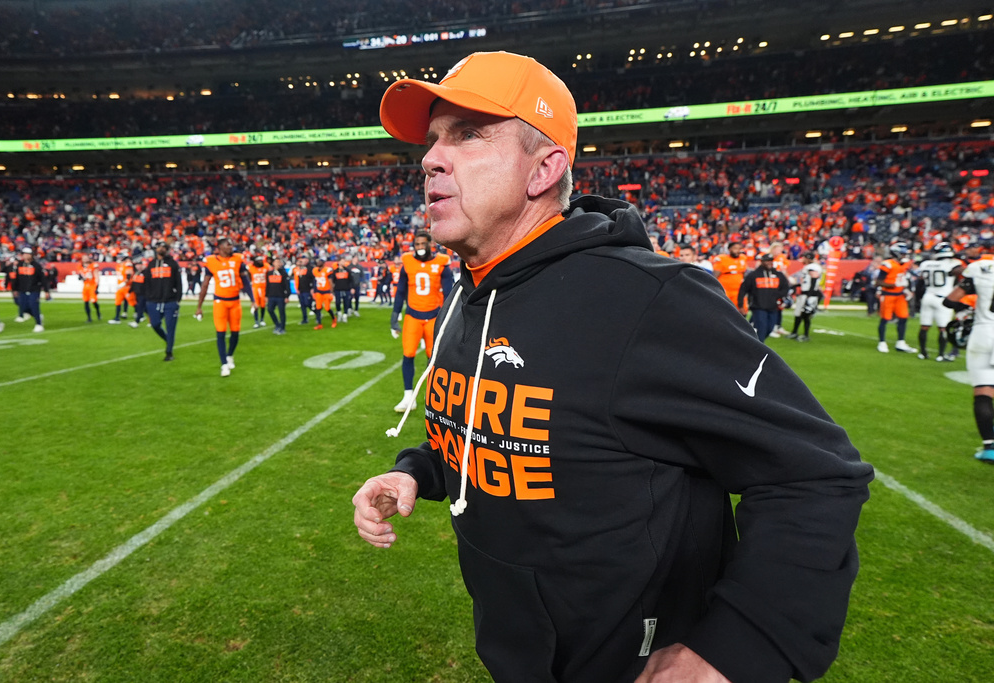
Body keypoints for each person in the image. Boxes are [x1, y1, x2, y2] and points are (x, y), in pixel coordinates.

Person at [352, 51, 871, 683]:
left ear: (545, 169)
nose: (432, 158)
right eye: (433, 140)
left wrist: (733, 649)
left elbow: (815, 475)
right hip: (519, 651)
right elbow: (502, 426)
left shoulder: (648, 300)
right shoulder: (472, 291)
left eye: (468, 135)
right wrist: (419, 470)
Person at [945, 242, 994, 463]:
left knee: (983, 392)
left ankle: (989, 447)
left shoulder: (980, 268)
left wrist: (968, 309)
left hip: (985, 332)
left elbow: (951, 299)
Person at [390, 229, 453, 412]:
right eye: (417, 244)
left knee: (433, 358)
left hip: (434, 316)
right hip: (412, 316)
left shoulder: (442, 263)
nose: (420, 247)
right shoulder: (407, 262)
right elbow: (400, 291)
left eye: (423, 244)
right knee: (408, 354)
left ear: (430, 244)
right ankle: (408, 397)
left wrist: (449, 318)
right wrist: (394, 317)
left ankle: (432, 396)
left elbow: (449, 294)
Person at [196, 237, 247, 376]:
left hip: (235, 301)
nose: (231, 247)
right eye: (228, 245)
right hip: (220, 301)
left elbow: (245, 281)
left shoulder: (237, 259)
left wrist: (253, 299)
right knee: (221, 332)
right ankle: (224, 364)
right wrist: (199, 306)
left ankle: (230, 355)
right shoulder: (211, 261)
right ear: (219, 248)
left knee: (236, 332)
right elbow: (205, 285)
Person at [915, 242, 963, 361]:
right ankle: (941, 355)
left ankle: (923, 353)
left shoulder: (926, 264)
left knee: (924, 326)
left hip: (928, 296)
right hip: (942, 298)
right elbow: (962, 272)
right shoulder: (953, 264)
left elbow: (921, 280)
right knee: (943, 328)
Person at [875, 241, 918, 353]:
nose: (904, 256)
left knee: (903, 318)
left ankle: (901, 342)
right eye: (903, 254)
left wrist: (906, 287)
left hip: (900, 295)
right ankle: (882, 342)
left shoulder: (905, 264)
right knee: (885, 319)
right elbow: (878, 282)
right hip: (888, 295)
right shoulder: (887, 264)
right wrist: (894, 285)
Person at [144, 241, 182, 362]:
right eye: (160, 247)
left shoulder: (172, 264)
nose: (162, 249)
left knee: (171, 328)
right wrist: (148, 297)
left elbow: (178, 282)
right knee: (155, 324)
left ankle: (169, 351)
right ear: (156, 249)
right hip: (154, 301)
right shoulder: (151, 264)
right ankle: (167, 340)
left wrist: (178, 299)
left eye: (164, 247)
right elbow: (147, 282)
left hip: (170, 301)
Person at [737, 252, 788, 342]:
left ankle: (756, 342)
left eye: (771, 261)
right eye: (767, 261)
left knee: (770, 328)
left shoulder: (779, 275)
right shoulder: (754, 275)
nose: (769, 263)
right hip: (758, 307)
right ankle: (760, 348)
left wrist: (777, 296)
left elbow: (785, 287)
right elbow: (743, 289)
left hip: (773, 307)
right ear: (762, 262)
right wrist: (740, 304)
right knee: (761, 328)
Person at [788, 252, 823, 342]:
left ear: (807, 258)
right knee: (798, 313)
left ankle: (806, 335)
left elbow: (814, 280)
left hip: (809, 294)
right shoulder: (808, 267)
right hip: (804, 294)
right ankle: (794, 332)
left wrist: (809, 295)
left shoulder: (813, 267)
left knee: (806, 315)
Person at [12, 248, 46, 332]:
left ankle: (38, 324)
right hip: (22, 289)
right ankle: (37, 316)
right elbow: (16, 278)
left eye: (28, 254)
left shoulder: (36, 266)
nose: (26, 255)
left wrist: (46, 290)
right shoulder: (20, 265)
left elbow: (42, 278)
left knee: (34, 305)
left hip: (34, 289)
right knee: (23, 307)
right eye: (24, 254)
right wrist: (15, 289)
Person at [711, 240, 748, 310]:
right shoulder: (722, 259)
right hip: (725, 289)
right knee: (724, 309)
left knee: (741, 311)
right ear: (729, 249)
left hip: (738, 290)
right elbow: (715, 276)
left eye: (739, 249)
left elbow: (743, 273)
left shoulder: (743, 258)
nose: (737, 251)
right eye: (735, 248)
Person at [265, 256, 290, 335]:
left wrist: (287, 296)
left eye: (279, 262)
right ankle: (277, 324)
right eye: (276, 262)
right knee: (270, 310)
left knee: (281, 312)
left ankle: (282, 328)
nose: (278, 264)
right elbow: (267, 285)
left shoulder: (284, 273)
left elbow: (287, 285)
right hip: (271, 296)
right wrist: (266, 295)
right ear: (273, 263)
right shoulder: (269, 273)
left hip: (281, 296)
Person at [108, 252, 134, 324]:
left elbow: (129, 275)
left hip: (127, 286)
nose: (119, 258)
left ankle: (140, 314)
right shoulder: (119, 265)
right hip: (120, 286)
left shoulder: (127, 264)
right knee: (118, 301)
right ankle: (117, 317)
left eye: (120, 257)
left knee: (133, 302)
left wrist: (124, 283)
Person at [311, 260, 336, 329]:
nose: (318, 263)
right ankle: (319, 324)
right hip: (319, 291)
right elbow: (315, 281)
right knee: (318, 307)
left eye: (320, 262)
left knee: (327, 308)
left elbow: (330, 281)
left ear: (323, 264)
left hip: (326, 291)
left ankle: (334, 319)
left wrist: (331, 292)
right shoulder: (315, 270)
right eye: (318, 262)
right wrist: (314, 291)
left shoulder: (327, 270)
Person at [77, 253, 101, 323]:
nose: (85, 259)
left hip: (92, 285)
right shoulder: (80, 266)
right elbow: (81, 275)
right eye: (83, 258)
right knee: (86, 301)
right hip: (85, 285)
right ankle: (89, 317)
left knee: (94, 301)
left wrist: (97, 287)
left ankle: (98, 312)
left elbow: (97, 276)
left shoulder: (93, 265)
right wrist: (80, 277)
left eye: (86, 257)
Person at [247, 254, 268, 328]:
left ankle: (262, 319)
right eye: (259, 260)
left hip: (264, 288)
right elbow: (248, 274)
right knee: (256, 305)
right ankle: (256, 321)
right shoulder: (251, 267)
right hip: (255, 288)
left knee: (263, 305)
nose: (260, 262)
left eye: (261, 260)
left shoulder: (266, 266)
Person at [332, 256, 354, 323]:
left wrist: (352, 288)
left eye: (344, 261)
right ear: (338, 262)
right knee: (337, 302)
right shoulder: (335, 271)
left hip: (346, 289)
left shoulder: (347, 270)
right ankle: (339, 313)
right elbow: (333, 281)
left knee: (346, 302)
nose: (343, 262)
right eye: (342, 261)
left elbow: (351, 280)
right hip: (338, 289)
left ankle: (345, 315)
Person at [293, 255, 314, 324]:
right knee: (302, 305)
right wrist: (297, 288)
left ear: (307, 260)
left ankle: (317, 313)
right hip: (300, 289)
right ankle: (304, 319)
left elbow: (313, 278)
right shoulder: (297, 269)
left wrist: (312, 288)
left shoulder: (310, 268)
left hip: (307, 289)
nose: (302, 261)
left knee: (308, 303)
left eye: (303, 259)